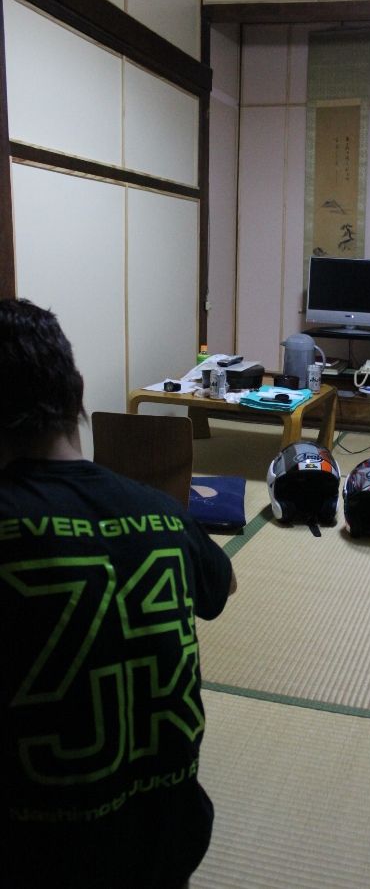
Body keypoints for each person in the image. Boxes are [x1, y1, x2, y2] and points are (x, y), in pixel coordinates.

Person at [0, 298, 237, 889]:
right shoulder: (161, 512)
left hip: (39, 861)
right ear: (77, 392)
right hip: (167, 846)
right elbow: (224, 583)